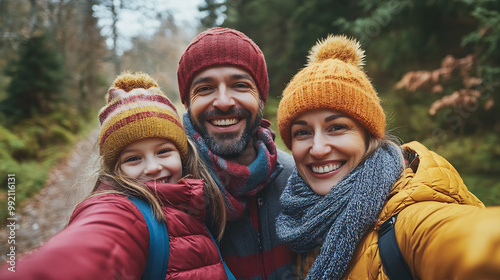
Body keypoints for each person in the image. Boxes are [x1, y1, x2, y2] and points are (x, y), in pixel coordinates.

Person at [275, 35, 500, 280]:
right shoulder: (300, 214)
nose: (317, 149)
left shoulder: (407, 219)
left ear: (368, 135)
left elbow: (466, 242)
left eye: (337, 127)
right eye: (303, 132)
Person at [1, 72, 233, 279]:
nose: (152, 167)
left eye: (163, 151)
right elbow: (94, 247)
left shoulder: (196, 203)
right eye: (133, 158)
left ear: (182, 154)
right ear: (115, 169)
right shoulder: (121, 211)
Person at [177, 27, 296, 280]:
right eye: (205, 88)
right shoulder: (171, 187)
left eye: (240, 85)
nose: (223, 102)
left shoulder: (298, 177)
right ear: (187, 104)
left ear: (261, 98)